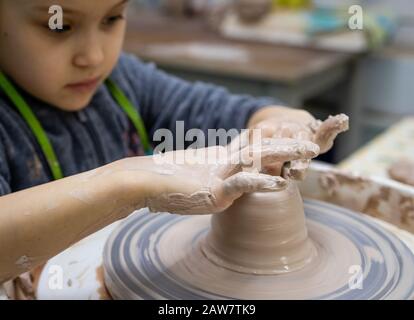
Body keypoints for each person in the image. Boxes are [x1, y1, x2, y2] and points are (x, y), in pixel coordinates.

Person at [0, 0, 347, 298]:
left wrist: (278, 124)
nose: (93, 56)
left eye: (111, 18)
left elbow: (234, 113)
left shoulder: (122, 82)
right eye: (58, 25)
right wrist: (127, 184)